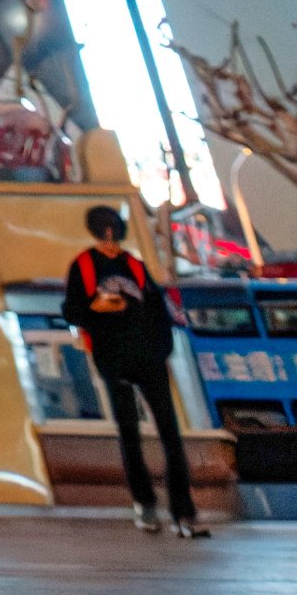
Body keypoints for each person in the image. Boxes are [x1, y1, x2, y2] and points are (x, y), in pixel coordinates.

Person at [66, 205, 203, 538]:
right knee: (129, 434)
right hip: (113, 359)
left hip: (149, 359)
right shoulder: (83, 266)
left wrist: (161, 350)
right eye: (106, 231)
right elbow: (72, 310)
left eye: (115, 230)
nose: (111, 237)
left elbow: (158, 310)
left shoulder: (134, 266)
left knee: (170, 433)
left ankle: (184, 511)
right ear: (99, 231)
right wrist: (93, 308)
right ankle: (145, 504)